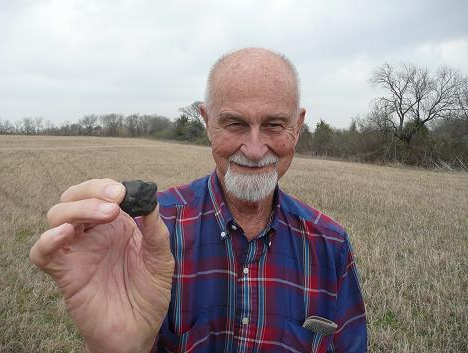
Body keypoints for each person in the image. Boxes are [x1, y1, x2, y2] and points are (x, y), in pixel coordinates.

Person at [30, 48, 367, 353]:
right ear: (207, 123)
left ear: (298, 125)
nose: (253, 148)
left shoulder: (331, 245)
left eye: (274, 125)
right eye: (234, 123)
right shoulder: (146, 236)